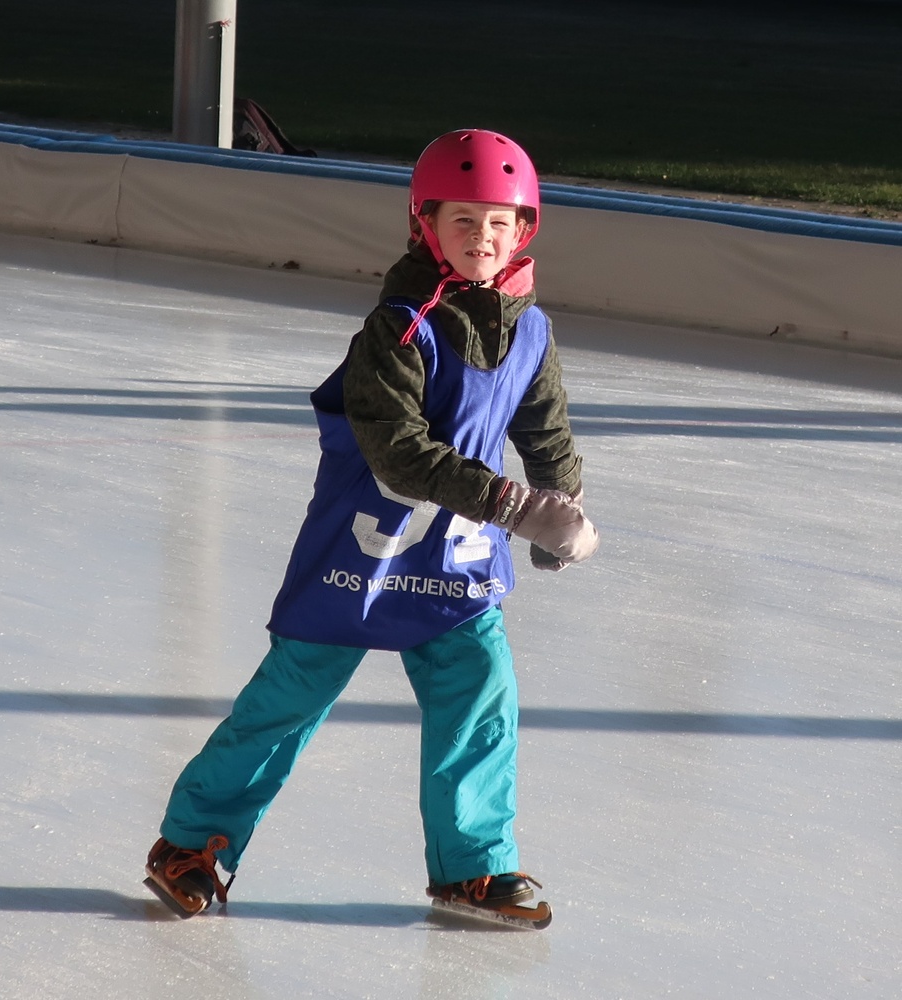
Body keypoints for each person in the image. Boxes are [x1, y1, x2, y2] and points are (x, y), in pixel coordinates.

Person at [143, 128, 599, 923]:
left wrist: (565, 501)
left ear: (524, 229)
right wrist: (522, 510)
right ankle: (193, 845)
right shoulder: (398, 328)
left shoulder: (531, 330)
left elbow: (544, 427)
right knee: (290, 699)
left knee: (480, 702)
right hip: (361, 552)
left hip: (457, 558)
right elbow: (399, 454)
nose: (482, 237)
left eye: (499, 222)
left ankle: (474, 868)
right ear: (427, 224)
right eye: (463, 221)